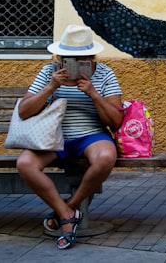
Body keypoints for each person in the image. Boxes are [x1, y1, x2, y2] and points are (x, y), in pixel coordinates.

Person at [15, 24, 123, 250]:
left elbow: (115, 121)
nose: (71, 62)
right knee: (25, 163)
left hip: (91, 135)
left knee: (105, 157)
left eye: (80, 58)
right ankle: (68, 214)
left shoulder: (104, 74)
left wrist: (93, 93)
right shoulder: (49, 72)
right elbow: (24, 111)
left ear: (91, 57)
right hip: (53, 137)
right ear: (60, 56)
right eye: (67, 58)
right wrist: (51, 87)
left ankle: (67, 209)